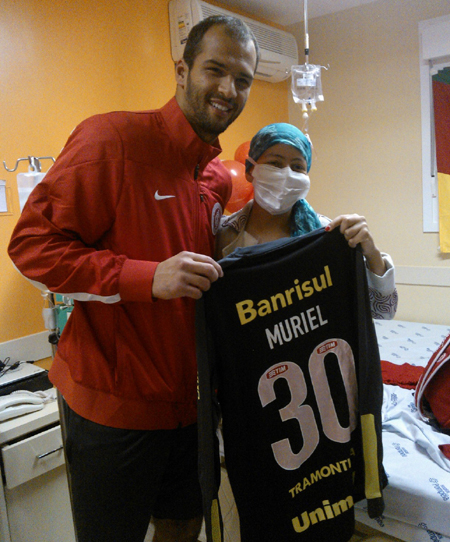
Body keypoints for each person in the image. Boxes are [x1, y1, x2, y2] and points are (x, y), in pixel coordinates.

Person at [8, 15, 259, 542]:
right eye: (215, 70)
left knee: (183, 528)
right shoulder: (112, 140)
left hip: (191, 408)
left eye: (242, 79)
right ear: (182, 70)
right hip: (113, 409)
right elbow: (31, 246)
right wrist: (145, 277)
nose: (228, 89)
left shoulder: (214, 177)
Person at [216, 123, 398, 319]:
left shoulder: (325, 232)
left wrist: (371, 253)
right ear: (249, 170)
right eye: (275, 163)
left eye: (297, 167)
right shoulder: (222, 233)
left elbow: (383, 311)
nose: (286, 174)